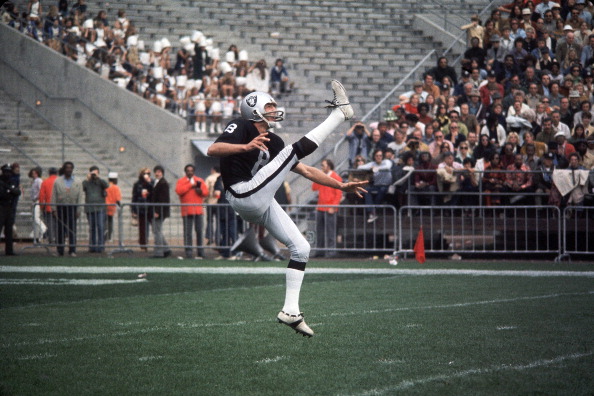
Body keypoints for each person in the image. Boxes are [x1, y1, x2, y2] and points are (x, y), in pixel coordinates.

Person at [206, 81, 366, 337]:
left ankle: (290, 310)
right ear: (254, 109)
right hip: (241, 192)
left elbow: (306, 170)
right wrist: (245, 146)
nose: (274, 108)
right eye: (268, 105)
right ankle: (339, 113)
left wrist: (340, 185)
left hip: (259, 198)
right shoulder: (243, 126)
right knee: (292, 152)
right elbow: (212, 149)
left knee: (302, 248)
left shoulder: (274, 140)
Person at [175, 164, 209, 259]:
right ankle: (188, 252)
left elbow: (206, 192)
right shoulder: (181, 181)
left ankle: (200, 252)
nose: (190, 172)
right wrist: (190, 185)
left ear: (194, 171)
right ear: (185, 172)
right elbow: (178, 191)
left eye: (191, 170)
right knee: (187, 233)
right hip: (186, 211)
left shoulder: (200, 180)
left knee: (199, 231)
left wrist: (200, 191)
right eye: (188, 170)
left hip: (198, 210)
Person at [311, 159, 342, 258]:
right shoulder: (322, 176)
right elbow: (314, 187)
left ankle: (331, 251)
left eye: (323, 165)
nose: (322, 167)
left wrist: (334, 207)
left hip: (330, 209)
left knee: (330, 231)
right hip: (321, 208)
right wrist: (317, 176)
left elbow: (338, 194)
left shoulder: (336, 177)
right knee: (319, 231)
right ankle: (320, 251)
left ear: (328, 166)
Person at [51, 161, 83, 257]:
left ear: (72, 169)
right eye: (67, 168)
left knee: (72, 230)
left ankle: (72, 250)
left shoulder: (78, 181)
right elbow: (54, 195)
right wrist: (54, 209)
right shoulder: (57, 181)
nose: (68, 169)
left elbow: (80, 197)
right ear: (64, 169)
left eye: (70, 168)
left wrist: (78, 210)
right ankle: (60, 250)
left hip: (72, 207)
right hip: (61, 207)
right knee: (60, 230)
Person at [357, 149, 393, 223]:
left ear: (382, 156)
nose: (379, 157)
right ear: (374, 156)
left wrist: (377, 169)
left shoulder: (386, 161)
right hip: (376, 185)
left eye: (380, 155)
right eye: (377, 156)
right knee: (366, 190)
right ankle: (372, 212)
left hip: (386, 185)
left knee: (383, 190)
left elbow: (387, 167)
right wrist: (370, 168)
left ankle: (373, 210)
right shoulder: (372, 164)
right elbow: (359, 167)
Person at [82, 166, 108, 253]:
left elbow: (106, 185)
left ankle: (101, 246)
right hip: (90, 208)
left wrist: (98, 178)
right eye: (92, 173)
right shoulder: (87, 182)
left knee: (100, 227)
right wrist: (88, 179)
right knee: (92, 228)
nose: (94, 174)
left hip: (100, 207)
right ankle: (92, 246)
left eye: (95, 172)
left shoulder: (100, 182)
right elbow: (83, 187)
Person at [0, 164, 21, 256]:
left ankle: (9, 250)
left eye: (9, 171)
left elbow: (17, 192)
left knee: (9, 230)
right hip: (1, 207)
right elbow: (2, 195)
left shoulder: (11, 181)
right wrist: (10, 191)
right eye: (6, 172)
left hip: (9, 207)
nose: (7, 174)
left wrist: (9, 190)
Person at [151, 165, 171, 258]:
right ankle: (166, 249)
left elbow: (163, 199)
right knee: (157, 230)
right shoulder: (158, 182)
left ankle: (159, 252)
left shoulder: (163, 183)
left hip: (160, 210)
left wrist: (157, 211)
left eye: (159, 172)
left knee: (157, 230)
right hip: (159, 210)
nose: (157, 173)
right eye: (156, 172)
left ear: (162, 173)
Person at [131, 168, 153, 251]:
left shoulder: (152, 182)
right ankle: (143, 245)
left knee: (154, 227)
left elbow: (153, 192)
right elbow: (134, 196)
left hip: (150, 208)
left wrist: (149, 183)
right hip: (141, 208)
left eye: (148, 173)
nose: (146, 175)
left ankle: (158, 243)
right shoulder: (137, 184)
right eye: (145, 173)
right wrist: (133, 210)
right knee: (143, 228)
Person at [39, 167, 58, 244]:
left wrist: (41, 207)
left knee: (49, 224)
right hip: (59, 207)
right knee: (58, 224)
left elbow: (41, 196)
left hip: (48, 207)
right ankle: (59, 238)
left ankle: (51, 239)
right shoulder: (60, 181)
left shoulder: (45, 182)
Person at [28, 166, 47, 241]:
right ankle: (39, 236)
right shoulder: (35, 181)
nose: (33, 174)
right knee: (34, 218)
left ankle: (44, 228)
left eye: (35, 173)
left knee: (36, 217)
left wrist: (37, 198)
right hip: (34, 201)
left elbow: (41, 191)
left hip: (38, 200)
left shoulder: (39, 180)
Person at [204, 166, 221, 246]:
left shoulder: (209, 178)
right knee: (218, 222)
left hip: (210, 203)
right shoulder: (222, 178)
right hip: (220, 203)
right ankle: (218, 239)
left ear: (213, 170)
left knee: (210, 221)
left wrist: (204, 201)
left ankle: (210, 238)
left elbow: (205, 190)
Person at [105, 171, 121, 242]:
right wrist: (119, 206)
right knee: (110, 223)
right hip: (111, 207)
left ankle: (104, 236)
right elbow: (118, 199)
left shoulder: (106, 186)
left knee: (104, 222)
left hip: (104, 206)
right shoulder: (116, 187)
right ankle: (109, 237)